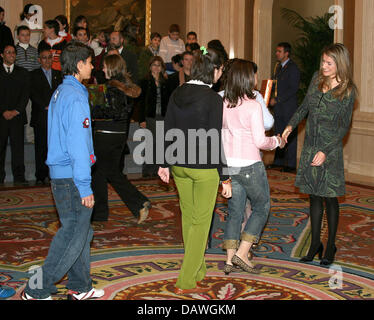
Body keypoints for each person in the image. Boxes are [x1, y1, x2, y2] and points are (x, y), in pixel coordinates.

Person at [22, 41, 104, 300]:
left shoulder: (60, 91)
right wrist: (84, 185)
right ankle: (36, 289)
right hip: (71, 177)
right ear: (79, 65)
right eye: (90, 62)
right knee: (71, 233)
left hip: (61, 175)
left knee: (82, 231)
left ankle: (80, 286)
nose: (92, 66)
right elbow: (78, 145)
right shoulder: (76, 96)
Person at [158, 47, 232, 294]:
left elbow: (167, 127)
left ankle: (198, 269)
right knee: (201, 223)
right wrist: (225, 176)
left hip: (179, 165)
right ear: (213, 70)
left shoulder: (178, 92)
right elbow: (215, 138)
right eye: (220, 70)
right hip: (204, 169)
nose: (221, 75)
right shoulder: (213, 99)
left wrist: (163, 162)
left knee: (189, 220)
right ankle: (186, 279)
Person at [282, 43, 357, 266]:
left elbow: (344, 127)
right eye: (322, 61)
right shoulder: (317, 78)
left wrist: (326, 150)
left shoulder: (348, 89)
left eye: (328, 63)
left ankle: (330, 244)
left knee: (330, 198)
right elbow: (305, 106)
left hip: (330, 149)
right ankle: (315, 244)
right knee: (314, 196)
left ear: (339, 65)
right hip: (311, 146)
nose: (323, 66)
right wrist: (290, 126)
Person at [221, 59, 285, 275]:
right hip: (250, 165)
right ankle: (242, 252)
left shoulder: (224, 103)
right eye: (253, 75)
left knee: (234, 212)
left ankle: (229, 260)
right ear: (246, 77)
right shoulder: (253, 105)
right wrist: (276, 141)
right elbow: (260, 141)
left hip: (230, 166)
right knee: (262, 206)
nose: (256, 78)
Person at [89, 54, 151, 224]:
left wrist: (92, 111)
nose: (102, 69)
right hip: (119, 136)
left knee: (103, 173)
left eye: (104, 66)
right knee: (105, 173)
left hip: (105, 135)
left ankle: (135, 203)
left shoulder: (111, 89)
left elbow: (111, 113)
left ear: (112, 68)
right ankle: (102, 214)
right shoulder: (127, 88)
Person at [30, 49, 62, 184]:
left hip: (55, 116)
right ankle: (40, 175)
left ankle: (53, 174)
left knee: (54, 147)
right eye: (44, 58)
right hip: (41, 115)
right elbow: (32, 93)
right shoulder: (33, 75)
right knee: (41, 147)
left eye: (50, 58)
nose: (47, 60)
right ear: (39, 60)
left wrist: (54, 106)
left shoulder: (58, 74)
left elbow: (61, 92)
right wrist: (46, 105)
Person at [0, 44, 30, 185]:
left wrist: (15, 111)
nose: (11, 55)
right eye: (8, 52)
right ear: (2, 55)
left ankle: (19, 177)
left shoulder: (22, 72)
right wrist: (3, 111)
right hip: (1, 117)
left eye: (13, 53)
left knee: (18, 149)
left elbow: (25, 94)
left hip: (17, 117)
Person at [268, 42, 300, 173]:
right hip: (279, 109)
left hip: (289, 108)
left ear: (286, 53)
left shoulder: (293, 68)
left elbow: (293, 89)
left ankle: (291, 164)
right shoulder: (278, 68)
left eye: (279, 51)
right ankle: (279, 161)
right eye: (276, 51)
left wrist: (278, 99)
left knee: (290, 136)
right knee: (278, 133)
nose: (277, 53)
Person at [139, 56, 169, 177]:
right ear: (150, 66)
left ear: (162, 68)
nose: (156, 67)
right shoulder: (144, 81)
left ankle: (159, 170)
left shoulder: (166, 82)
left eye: (159, 65)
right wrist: (141, 119)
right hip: (150, 117)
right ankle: (148, 171)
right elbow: (141, 102)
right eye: (154, 65)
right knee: (150, 144)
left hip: (163, 116)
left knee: (161, 144)